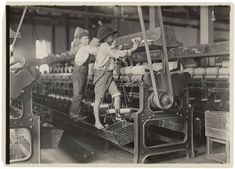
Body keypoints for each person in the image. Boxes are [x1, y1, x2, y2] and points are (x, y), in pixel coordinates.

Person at [93, 25, 140, 129]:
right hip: (102, 74)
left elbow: (117, 50)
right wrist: (133, 49)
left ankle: (117, 116)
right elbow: (117, 54)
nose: (113, 37)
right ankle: (97, 122)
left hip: (108, 75)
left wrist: (125, 46)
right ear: (106, 38)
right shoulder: (105, 48)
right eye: (111, 35)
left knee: (117, 95)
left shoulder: (108, 47)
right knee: (98, 100)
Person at [69, 29, 99, 122]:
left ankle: (73, 113)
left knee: (78, 93)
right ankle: (76, 115)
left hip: (81, 70)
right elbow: (95, 51)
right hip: (80, 70)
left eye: (88, 39)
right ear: (81, 40)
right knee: (78, 93)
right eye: (85, 38)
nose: (87, 40)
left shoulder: (82, 47)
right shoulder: (84, 47)